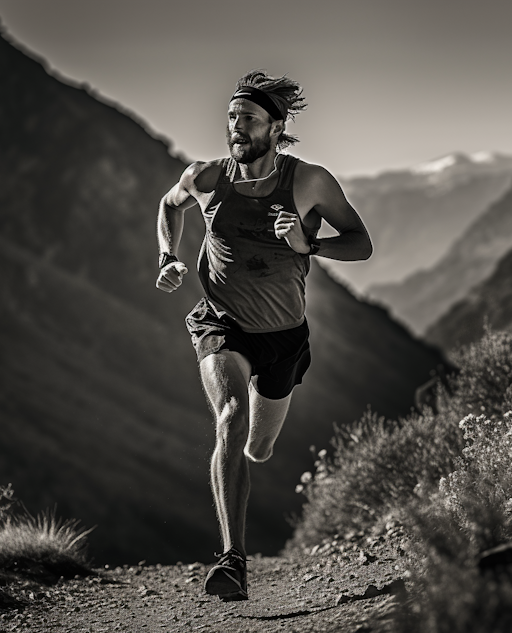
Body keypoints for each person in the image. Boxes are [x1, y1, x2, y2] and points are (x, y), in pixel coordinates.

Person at [156, 70, 372, 601]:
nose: (236, 126)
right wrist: (168, 254)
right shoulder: (207, 178)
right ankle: (232, 560)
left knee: (259, 446)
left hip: (284, 336)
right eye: (231, 117)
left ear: (276, 128)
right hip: (221, 323)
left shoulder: (309, 182)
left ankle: (251, 453)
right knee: (230, 418)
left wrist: (307, 246)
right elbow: (168, 205)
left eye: (248, 119)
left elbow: (360, 243)